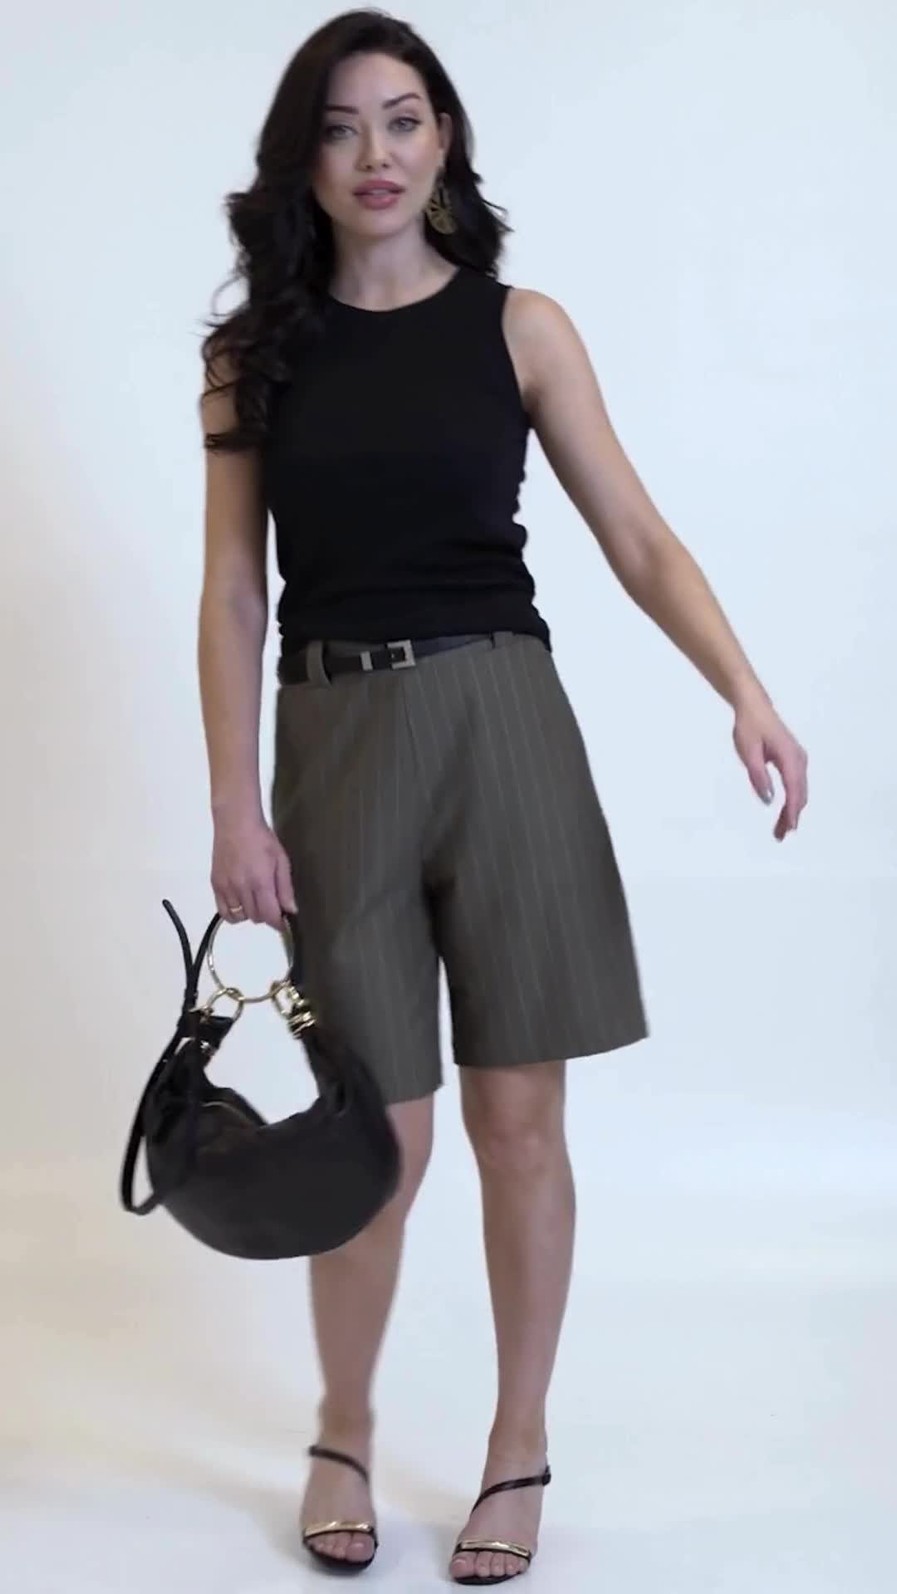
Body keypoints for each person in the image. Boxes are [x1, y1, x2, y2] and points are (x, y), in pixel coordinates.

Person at [197, 10, 808, 1584]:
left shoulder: (519, 328)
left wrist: (741, 688)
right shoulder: (253, 356)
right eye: (342, 127)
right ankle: (342, 1427)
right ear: (302, 159)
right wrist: (233, 808)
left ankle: (515, 1445)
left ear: (445, 137)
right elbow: (234, 593)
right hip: (333, 740)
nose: (376, 154)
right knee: (374, 1139)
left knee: (518, 1118)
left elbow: (636, 536)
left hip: (504, 724)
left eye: (403, 119)